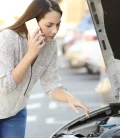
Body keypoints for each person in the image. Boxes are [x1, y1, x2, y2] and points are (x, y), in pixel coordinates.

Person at [0, 0, 89, 137]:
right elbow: (6, 85)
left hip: (15, 111)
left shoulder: (50, 45)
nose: (54, 31)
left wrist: (70, 98)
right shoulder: (8, 38)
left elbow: (51, 84)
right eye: (49, 25)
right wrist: (31, 54)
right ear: (32, 22)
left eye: (58, 25)